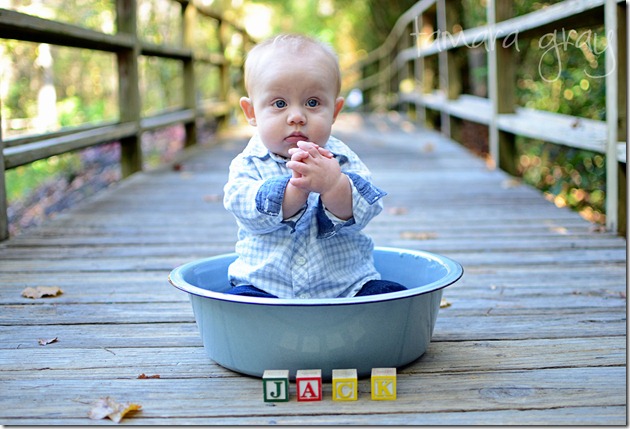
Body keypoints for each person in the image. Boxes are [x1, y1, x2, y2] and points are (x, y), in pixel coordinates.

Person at [222, 33, 406, 299]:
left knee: (390, 294)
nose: (297, 116)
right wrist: (292, 193)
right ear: (251, 113)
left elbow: (366, 210)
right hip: (266, 286)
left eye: (312, 103)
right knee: (240, 302)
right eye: (279, 103)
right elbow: (244, 208)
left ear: (334, 111)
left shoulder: (342, 159)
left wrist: (334, 186)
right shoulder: (249, 163)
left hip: (345, 287)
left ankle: (370, 307)